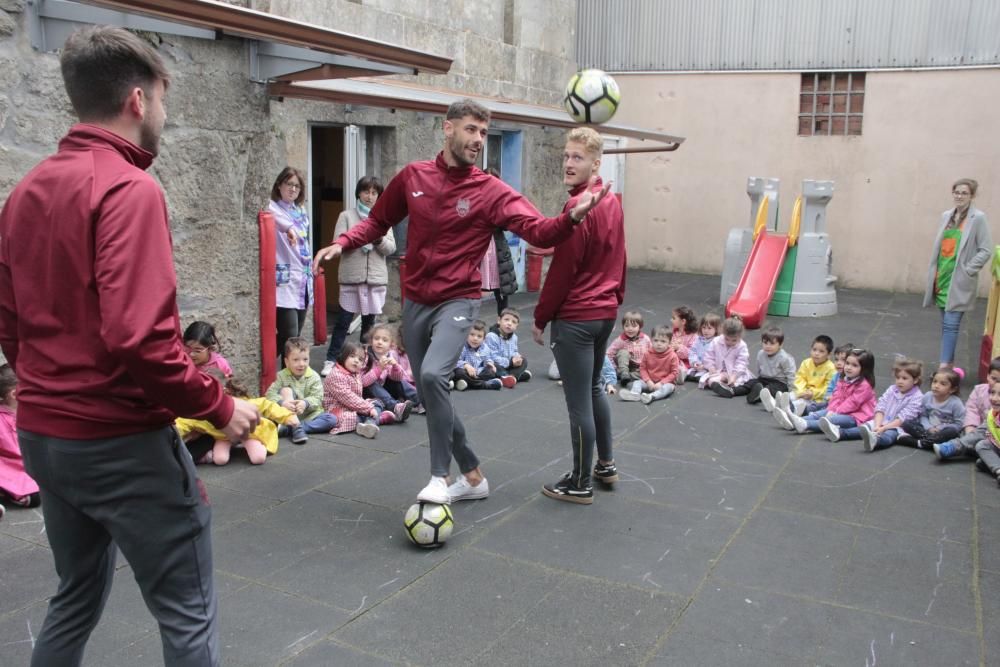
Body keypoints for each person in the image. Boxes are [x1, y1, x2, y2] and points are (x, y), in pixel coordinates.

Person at [0, 25, 258, 666]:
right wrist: (222, 408)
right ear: (139, 100)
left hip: (44, 434)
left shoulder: (26, 191)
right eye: (165, 102)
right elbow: (140, 337)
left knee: (76, 594)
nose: (165, 119)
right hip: (118, 443)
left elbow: (10, 323)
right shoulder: (129, 188)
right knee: (187, 612)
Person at [314, 98, 609, 506]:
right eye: (471, 130)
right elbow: (378, 220)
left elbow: (538, 231)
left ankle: (440, 476)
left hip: (460, 298)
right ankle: (473, 476)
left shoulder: (489, 190)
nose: (478, 140)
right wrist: (342, 242)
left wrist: (572, 218)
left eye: (484, 133)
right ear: (448, 128)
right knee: (433, 391)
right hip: (416, 300)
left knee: (433, 377)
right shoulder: (413, 176)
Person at [531, 127, 626, 504]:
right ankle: (605, 464)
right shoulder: (612, 201)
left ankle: (580, 481)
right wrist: (617, 295)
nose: (569, 164)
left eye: (578, 158)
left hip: (577, 317)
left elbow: (563, 271)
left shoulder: (578, 207)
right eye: (566, 156)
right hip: (603, 313)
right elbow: (618, 253)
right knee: (593, 389)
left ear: (596, 163)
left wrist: (541, 316)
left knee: (578, 403)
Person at [321, 176, 395, 377]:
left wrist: (378, 239)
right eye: (365, 192)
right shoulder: (347, 215)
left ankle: (364, 362)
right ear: (358, 194)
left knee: (369, 324)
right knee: (343, 322)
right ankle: (331, 360)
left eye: (374, 193)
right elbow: (339, 243)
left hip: (375, 278)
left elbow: (390, 248)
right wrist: (361, 236)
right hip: (352, 276)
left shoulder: (384, 219)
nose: (369, 197)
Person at [924, 178, 993, 370]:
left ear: (972, 196)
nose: (960, 196)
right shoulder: (946, 215)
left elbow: (986, 249)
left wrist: (968, 270)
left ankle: (944, 367)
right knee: (945, 325)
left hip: (959, 279)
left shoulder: (978, 218)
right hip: (942, 277)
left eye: (964, 193)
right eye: (957, 192)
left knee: (951, 325)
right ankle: (948, 364)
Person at [178, 370, 299, 466]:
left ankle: (264, 440)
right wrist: (171, 434)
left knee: (258, 458)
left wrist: (287, 416)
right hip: (223, 436)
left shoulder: (238, 404)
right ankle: (214, 453)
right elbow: (182, 423)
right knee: (220, 460)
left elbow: (265, 404)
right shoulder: (202, 412)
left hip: (248, 433)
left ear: (224, 392)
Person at [776, 349, 876, 442]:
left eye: (854, 365)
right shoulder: (844, 379)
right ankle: (793, 421)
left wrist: (835, 412)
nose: (849, 367)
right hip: (841, 410)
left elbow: (853, 403)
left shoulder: (864, 385)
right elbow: (836, 396)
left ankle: (806, 425)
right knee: (819, 414)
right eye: (848, 363)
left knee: (831, 420)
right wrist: (831, 409)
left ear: (864, 369)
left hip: (857, 416)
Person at [268, 166, 314, 364]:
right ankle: (268, 369)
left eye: (297, 186)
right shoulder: (273, 207)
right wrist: (289, 228)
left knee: (295, 337)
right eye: (289, 184)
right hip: (285, 282)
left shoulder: (301, 211)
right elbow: (274, 218)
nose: (293, 189)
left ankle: (282, 376)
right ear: (279, 185)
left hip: (303, 280)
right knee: (289, 335)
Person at [265, 336, 340, 443]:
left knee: (331, 419)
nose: (301, 364)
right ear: (286, 362)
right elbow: (269, 395)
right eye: (296, 360)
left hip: (310, 416)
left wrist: (305, 403)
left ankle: (291, 429)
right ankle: (294, 427)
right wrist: (283, 402)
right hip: (287, 415)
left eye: (305, 359)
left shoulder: (314, 376)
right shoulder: (281, 376)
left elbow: (318, 397)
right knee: (286, 391)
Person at [323, 341, 403, 439]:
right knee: (351, 417)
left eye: (360, 359)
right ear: (343, 355)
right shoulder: (336, 375)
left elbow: (366, 380)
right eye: (352, 356)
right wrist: (368, 409)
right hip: (339, 410)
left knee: (377, 403)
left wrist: (380, 367)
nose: (356, 361)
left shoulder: (355, 373)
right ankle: (378, 419)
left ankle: (369, 423)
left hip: (354, 407)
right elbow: (349, 398)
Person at [857, 359, 925, 452]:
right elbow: (881, 406)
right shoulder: (892, 389)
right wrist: (877, 425)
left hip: (899, 428)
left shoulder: (918, 397)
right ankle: (841, 433)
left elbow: (902, 419)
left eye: (904, 378)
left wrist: (884, 428)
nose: (900, 381)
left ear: (916, 380)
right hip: (882, 421)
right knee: (864, 427)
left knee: (890, 436)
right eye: (898, 378)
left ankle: (875, 442)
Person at [0, 365, 40, 511]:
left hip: (23, 467)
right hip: (8, 468)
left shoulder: (28, 412)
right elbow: (16, 452)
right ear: (14, 394)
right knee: (33, 498)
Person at [895, 367, 964, 450]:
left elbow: (959, 424)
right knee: (906, 423)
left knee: (952, 432)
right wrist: (929, 428)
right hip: (927, 430)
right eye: (935, 382)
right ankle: (931, 443)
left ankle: (920, 443)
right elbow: (923, 415)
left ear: (952, 389)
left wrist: (940, 429)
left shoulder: (956, 403)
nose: (936, 386)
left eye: (943, 384)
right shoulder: (927, 396)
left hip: (943, 432)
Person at [480, 167, 518, 316]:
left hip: (497, 247)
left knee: (501, 291)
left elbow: (507, 224)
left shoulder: (501, 200)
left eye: (493, 179)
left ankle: (502, 328)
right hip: (479, 246)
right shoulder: (474, 197)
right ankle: (470, 333)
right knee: (472, 293)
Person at [774, 335, 836, 416]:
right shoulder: (806, 363)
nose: (816, 353)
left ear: (829, 355)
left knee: (800, 403)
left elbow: (828, 388)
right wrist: (802, 391)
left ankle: (788, 410)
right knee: (790, 396)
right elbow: (800, 378)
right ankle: (778, 404)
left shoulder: (831, 368)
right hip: (803, 392)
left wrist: (813, 393)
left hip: (816, 398)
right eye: (814, 350)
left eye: (821, 351)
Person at [619, 325, 679, 405]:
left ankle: (651, 396)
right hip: (650, 382)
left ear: (669, 342)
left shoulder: (672, 356)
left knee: (668, 388)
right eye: (656, 340)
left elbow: (674, 373)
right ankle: (634, 394)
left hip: (664, 384)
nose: (659, 344)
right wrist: (648, 381)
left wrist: (662, 383)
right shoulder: (647, 353)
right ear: (652, 340)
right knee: (637, 383)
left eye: (663, 341)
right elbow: (643, 368)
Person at [735, 325, 796, 404]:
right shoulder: (761, 353)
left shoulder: (784, 358)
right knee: (751, 383)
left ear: (780, 345)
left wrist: (792, 392)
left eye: (772, 344)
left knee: (769, 389)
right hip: (764, 379)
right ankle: (733, 391)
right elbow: (760, 369)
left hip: (779, 382)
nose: (768, 346)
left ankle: (757, 396)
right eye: (765, 343)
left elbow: (791, 374)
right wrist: (758, 380)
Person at [701, 316, 752, 396]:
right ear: (723, 334)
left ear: (740, 336)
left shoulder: (742, 346)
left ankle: (730, 389)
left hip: (735, 373)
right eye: (727, 339)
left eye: (734, 340)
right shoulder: (716, 341)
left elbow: (741, 363)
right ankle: (722, 387)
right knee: (711, 380)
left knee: (741, 383)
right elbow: (708, 356)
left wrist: (734, 376)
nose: (730, 342)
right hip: (720, 372)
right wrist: (711, 367)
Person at [485, 307, 531, 386]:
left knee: (524, 360)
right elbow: (492, 357)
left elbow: (514, 351)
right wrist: (510, 362)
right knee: (492, 367)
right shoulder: (491, 336)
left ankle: (511, 377)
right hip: (496, 364)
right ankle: (513, 376)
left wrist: (517, 357)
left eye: (514, 322)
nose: (509, 323)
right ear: (499, 320)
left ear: (516, 326)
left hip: (508, 365)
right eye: (506, 320)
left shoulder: (514, 337)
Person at [605, 310, 650, 390]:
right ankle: (624, 373)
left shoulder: (645, 339)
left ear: (640, 326)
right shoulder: (621, 340)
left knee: (647, 373)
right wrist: (614, 368)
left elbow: (652, 352)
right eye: (627, 326)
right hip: (625, 366)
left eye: (634, 326)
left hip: (639, 367)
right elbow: (608, 354)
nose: (630, 329)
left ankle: (626, 377)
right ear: (623, 326)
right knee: (623, 352)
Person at [452, 320, 503, 391]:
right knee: (459, 372)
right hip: (465, 371)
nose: (475, 338)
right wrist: (466, 365)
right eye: (472, 334)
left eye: (479, 336)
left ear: (484, 339)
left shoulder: (485, 348)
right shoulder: (462, 347)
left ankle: (466, 383)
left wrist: (489, 363)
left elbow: (488, 358)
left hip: (477, 372)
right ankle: (484, 385)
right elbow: (455, 361)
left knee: (491, 371)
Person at [685, 313, 721, 383]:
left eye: (709, 328)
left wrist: (705, 366)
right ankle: (688, 375)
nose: (706, 331)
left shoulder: (716, 342)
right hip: (697, 365)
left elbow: (716, 358)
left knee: (705, 376)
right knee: (688, 372)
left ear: (716, 329)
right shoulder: (698, 339)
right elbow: (692, 351)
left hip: (708, 368)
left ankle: (701, 378)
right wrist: (694, 362)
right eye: (704, 327)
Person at [670, 305, 699, 380]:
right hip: (671, 358)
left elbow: (691, 353)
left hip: (684, 362)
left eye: (674, 318)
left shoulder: (693, 336)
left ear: (683, 321)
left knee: (677, 367)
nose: (671, 320)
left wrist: (679, 347)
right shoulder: (673, 332)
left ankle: (681, 374)